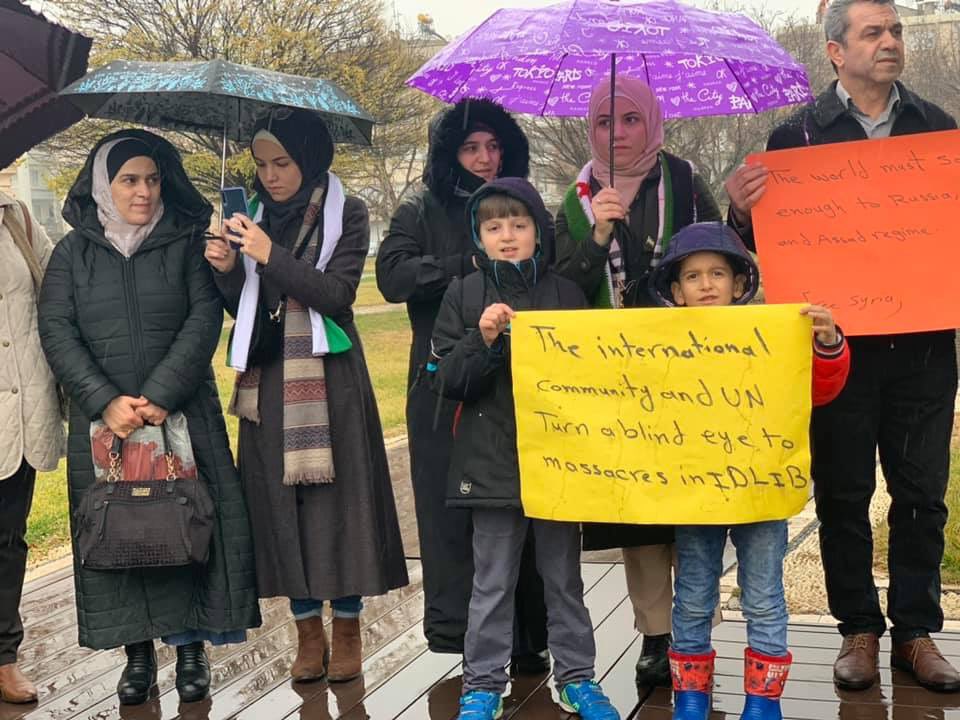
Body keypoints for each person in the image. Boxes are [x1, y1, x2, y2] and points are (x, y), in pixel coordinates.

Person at [724, 0, 960, 692]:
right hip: (834, 351)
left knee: (922, 494)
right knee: (843, 493)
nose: (890, 42)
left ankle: (915, 632)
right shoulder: (794, 137)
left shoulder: (939, 131)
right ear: (835, 51)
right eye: (873, 32)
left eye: (896, 31)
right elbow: (753, 247)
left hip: (923, 347)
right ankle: (858, 628)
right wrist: (739, 208)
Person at [37, 130, 261, 705]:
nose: (143, 191)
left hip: (182, 416)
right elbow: (57, 331)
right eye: (129, 180)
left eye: (153, 179)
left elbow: (204, 318)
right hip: (106, 427)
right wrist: (105, 401)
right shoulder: (71, 255)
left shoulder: (188, 245)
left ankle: (190, 650)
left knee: (184, 524)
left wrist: (162, 393)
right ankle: (137, 655)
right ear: (102, 186)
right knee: (123, 532)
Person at [204, 108, 408, 684]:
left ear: (310, 159)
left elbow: (336, 294)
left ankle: (347, 628)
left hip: (330, 378)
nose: (270, 176)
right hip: (269, 379)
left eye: (283, 163)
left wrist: (269, 253)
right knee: (279, 508)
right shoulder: (251, 217)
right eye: (261, 164)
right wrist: (227, 268)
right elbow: (248, 308)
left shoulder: (348, 214)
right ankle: (306, 632)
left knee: (336, 508)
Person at [553, 75, 723, 693]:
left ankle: (695, 631)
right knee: (641, 512)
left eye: (630, 120)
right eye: (604, 122)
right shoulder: (576, 199)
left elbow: (720, 257)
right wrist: (598, 234)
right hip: (616, 381)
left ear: (650, 122)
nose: (618, 133)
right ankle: (655, 635)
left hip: (688, 375)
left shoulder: (685, 181)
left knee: (693, 503)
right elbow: (563, 289)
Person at [430, 176, 619, 720]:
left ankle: (578, 678)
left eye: (518, 224)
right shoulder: (462, 295)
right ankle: (483, 685)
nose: (507, 236)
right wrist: (483, 339)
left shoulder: (565, 294)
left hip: (558, 465)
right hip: (490, 466)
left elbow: (596, 377)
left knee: (563, 580)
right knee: (492, 582)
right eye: (494, 227)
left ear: (539, 231)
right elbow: (449, 380)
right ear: (479, 236)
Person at [644, 222, 849, 720]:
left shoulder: (774, 335)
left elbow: (818, 392)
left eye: (717, 273)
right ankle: (691, 696)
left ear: (739, 284)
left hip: (762, 490)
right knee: (693, 596)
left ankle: (763, 701)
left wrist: (827, 343)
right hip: (696, 494)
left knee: (763, 596)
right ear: (677, 290)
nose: (706, 284)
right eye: (693, 276)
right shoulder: (657, 342)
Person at [376, 99, 549, 671]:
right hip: (442, 381)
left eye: (494, 146)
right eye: (471, 147)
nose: (484, 158)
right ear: (450, 153)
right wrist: (465, 264)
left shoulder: (521, 204)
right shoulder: (419, 208)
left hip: (516, 385)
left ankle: (527, 636)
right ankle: (460, 637)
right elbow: (392, 276)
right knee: (449, 512)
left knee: (520, 509)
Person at [0, 192, 64, 704]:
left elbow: (61, 281)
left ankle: (4, 657)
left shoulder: (17, 216)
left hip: (20, 411)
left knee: (7, 538)